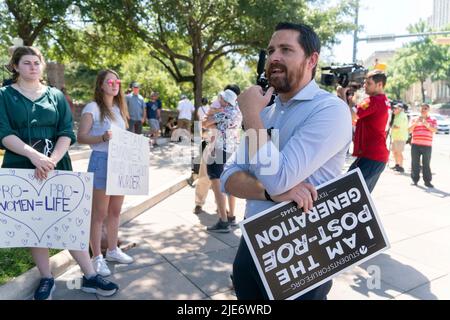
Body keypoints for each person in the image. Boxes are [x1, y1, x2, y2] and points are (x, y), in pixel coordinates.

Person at [221, 22, 352, 300]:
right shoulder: (265, 115)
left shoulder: (330, 110)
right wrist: (270, 194)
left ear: (311, 60)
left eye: (286, 49)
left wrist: (251, 117)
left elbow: (278, 176)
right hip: (251, 246)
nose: (273, 58)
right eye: (270, 51)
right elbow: (228, 177)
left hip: (302, 254)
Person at [0, 46, 118, 299]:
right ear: (16, 67)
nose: (33, 67)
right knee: (34, 223)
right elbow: (3, 131)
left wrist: (51, 160)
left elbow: (67, 131)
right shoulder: (4, 95)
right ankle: (46, 278)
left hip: (57, 164)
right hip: (21, 165)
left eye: (36, 62)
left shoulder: (54, 95)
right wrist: (34, 156)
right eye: (27, 63)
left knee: (69, 221)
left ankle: (90, 275)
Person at [77, 69, 134, 277]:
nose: (114, 84)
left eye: (117, 81)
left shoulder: (119, 108)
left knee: (116, 211)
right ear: (101, 84)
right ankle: (96, 258)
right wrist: (102, 137)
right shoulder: (92, 107)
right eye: (110, 81)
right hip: (101, 161)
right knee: (99, 213)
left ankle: (112, 250)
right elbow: (81, 137)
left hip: (120, 162)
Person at [338, 70, 390, 192]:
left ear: (380, 85)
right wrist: (350, 100)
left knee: (346, 193)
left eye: (369, 83)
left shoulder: (373, 101)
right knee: (361, 198)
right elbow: (357, 116)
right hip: (376, 157)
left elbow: (351, 116)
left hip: (371, 156)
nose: (365, 86)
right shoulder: (382, 100)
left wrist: (341, 94)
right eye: (365, 83)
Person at [204, 89, 242, 232]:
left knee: (217, 184)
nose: (219, 99)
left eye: (221, 98)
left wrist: (213, 113)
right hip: (232, 150)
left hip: (218, 150)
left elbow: (205, 123)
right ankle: (231, 216)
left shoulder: (223, 112)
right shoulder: (237, 112)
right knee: (229, 183)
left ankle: (223, 221)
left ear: (226, 101)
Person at [409, 103, 437, 188]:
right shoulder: (414, 119)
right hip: (415, 144)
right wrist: (416, 123)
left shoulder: (433, 119)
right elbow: (409, 130)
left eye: (425, 108)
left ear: (428, 110)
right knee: (415, 163)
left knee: (426, 164)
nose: (423, 110)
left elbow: (434, 130)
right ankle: (415, 180)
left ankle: (427, 181)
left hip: (427, 145)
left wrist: (426, 123)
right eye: (421, 108)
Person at [390, 103, 409, 173]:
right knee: (395, 152)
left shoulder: (401, 116)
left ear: (400, 109)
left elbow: (397, 127)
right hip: (396, 137)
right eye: (393, 108)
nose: (393, 109)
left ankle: (401, 166)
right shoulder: (397, 115)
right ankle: (397, 165)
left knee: (399, 152)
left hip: (400, 137)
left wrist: (390, 126)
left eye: (395, 108)